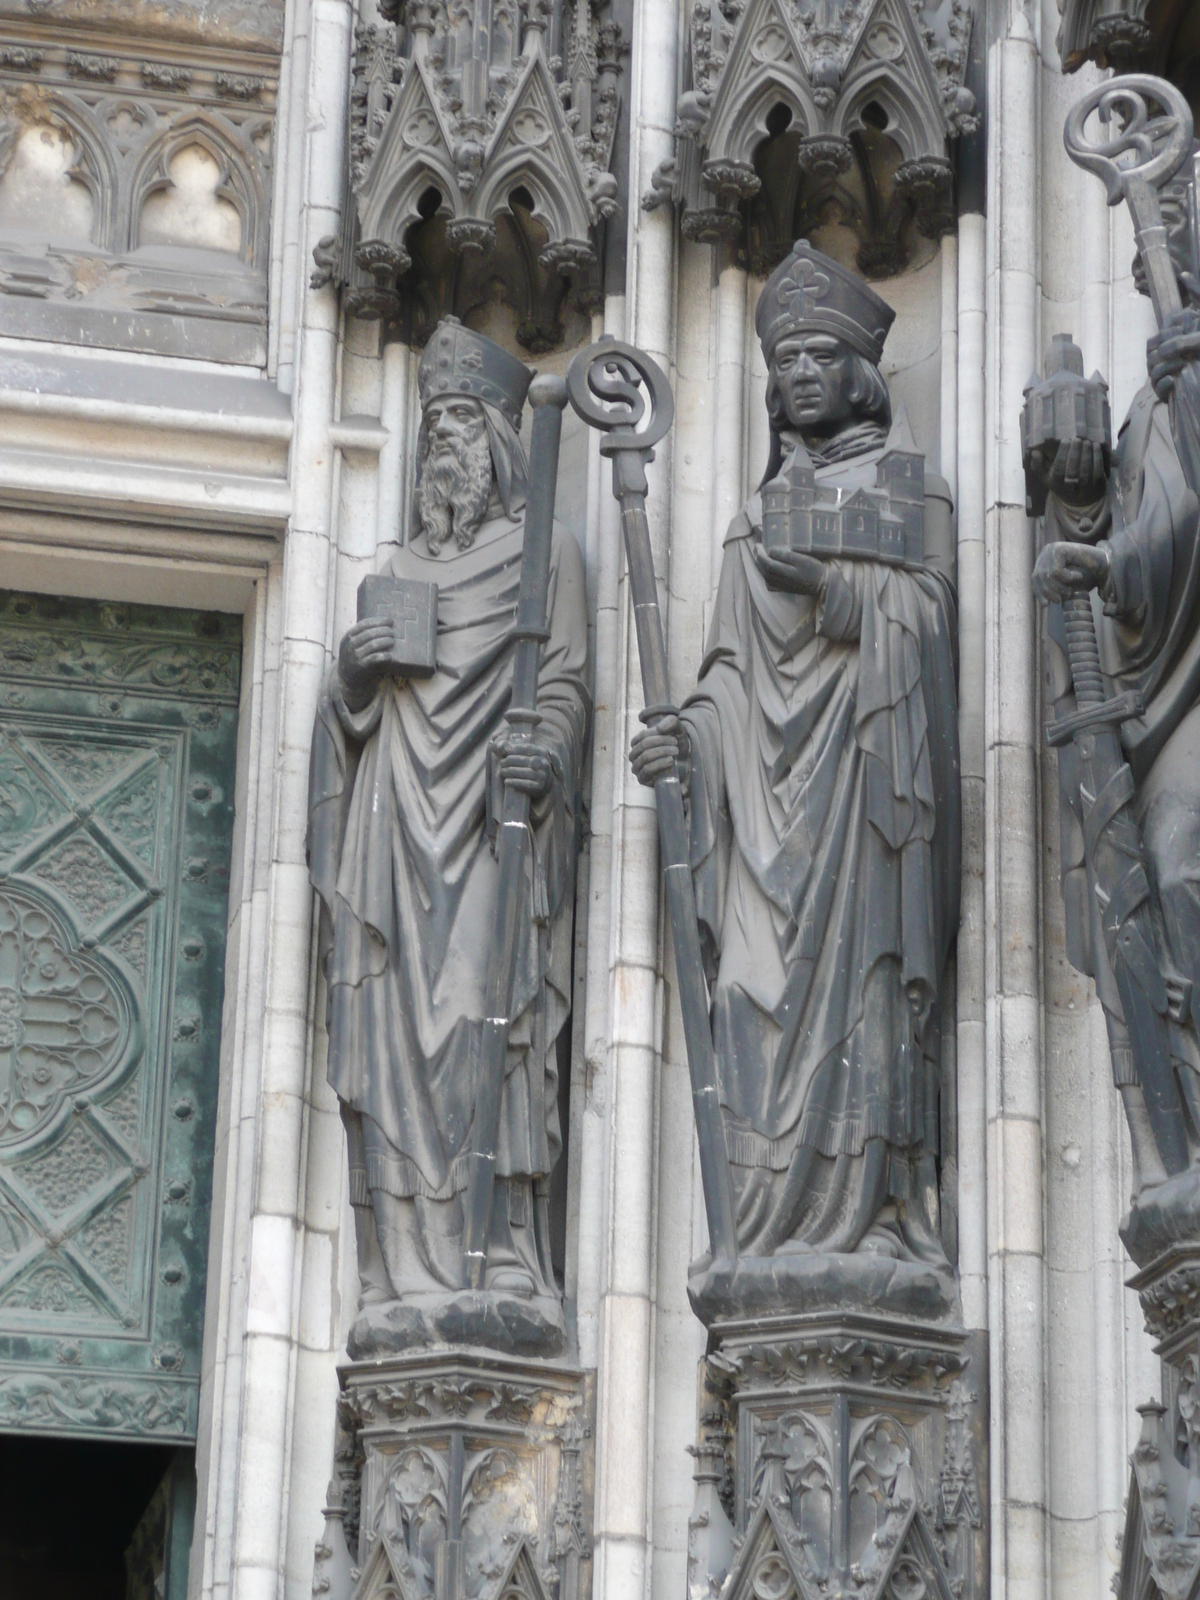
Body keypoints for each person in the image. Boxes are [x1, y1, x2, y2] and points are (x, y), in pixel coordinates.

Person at [630, 242, 961, 1314]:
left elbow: (932, 632)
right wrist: (685, 741)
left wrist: (834, 591)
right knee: (738, 991)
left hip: (865, 807)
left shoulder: (912, 494)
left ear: (862, 371)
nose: (804, 373)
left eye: (823, 354)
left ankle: (868, 1220)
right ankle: (768, 1235)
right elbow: (729, 677)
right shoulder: (750, 517)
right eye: (788, 361)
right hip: (764, 821)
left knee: (870, 1003)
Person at [307, 317, 589, 1355]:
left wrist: (545, 752)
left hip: (484, 836)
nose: (445, 446)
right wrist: (350, 674)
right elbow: (344, 724)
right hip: (391, 841)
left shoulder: (543, 555)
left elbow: (563, 688)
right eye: (434, 427)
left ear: (506, 443)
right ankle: (400, 1261)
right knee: (385, 1048)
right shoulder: (396, 567)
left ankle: (497, 1245)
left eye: (464, 424)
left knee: (486, 1021)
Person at [1030, 177, 1200, 1218]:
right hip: (1171, 692)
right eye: (1144, 274)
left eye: (1167, 267)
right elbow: (1153, 545)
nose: (1156, 286)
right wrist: (1080, 494)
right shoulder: (1155, 407)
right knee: (1172, 867)